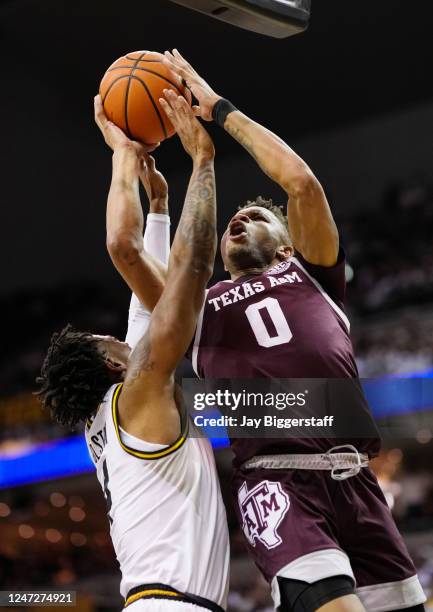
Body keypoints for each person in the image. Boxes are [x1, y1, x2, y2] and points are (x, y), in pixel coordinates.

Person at [137, 51, 424, 612]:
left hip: (357, 479)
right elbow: (125, 252)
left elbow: (301, 182)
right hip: (278, 484)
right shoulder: (200, 307)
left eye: (257, 216)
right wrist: (155, 179)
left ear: (289, 243)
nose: (238, 219)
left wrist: (219, 109)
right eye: (230, 224)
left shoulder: (312, 275)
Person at [37, 92, 229, 612]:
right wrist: (181, 158)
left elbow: (144, 309)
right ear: (112, 364)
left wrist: (160, 207)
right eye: (113, 341)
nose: (124, 338)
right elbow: (128, 251)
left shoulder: (111, 418)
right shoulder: (138, 393)